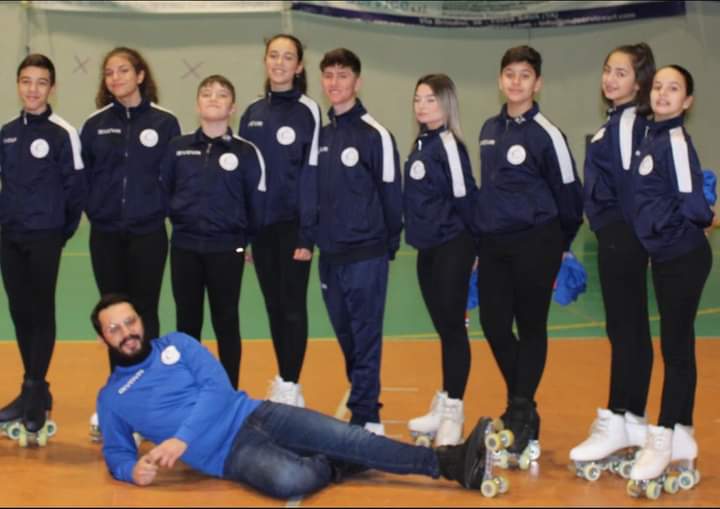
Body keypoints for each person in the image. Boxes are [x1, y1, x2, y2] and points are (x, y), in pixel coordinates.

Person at [92, 293, 501, 498]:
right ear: (103, 339)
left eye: (130, 322)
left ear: (141, 321)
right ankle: (338, 461)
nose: (127, 333)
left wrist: (181, 439)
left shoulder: (178, 344)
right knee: (292, 480)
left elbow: (217, 389)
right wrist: (132, 471)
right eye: (115, 329)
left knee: (353, 437)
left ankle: (449, 462)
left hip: (257, 414)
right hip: (228, 456)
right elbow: (116, 452)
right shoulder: (111, 399)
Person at [464, 45, 584, 468]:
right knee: (495, 324)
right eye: (510, 74)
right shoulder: (488, 129)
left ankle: (518, 413)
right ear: (500, 80)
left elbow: (570, 193)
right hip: (494, 244)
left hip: (537, 241)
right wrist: (480, 242)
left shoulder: (547, 133)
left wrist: (560, 242)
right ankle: (525, 408)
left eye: (525, 75)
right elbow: (489, 190)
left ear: (538, 83)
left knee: (531, 326)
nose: (516, 82)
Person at [298, 48, 402, 435]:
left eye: (343, 75)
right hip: (330, 256)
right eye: (329, 75)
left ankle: (366, 416)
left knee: (365, 334)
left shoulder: (376, 134)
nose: (335, 82)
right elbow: (310, 191)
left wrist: (386, 244)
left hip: (366, 253)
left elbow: (391, 194)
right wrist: (309, 237)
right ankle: (363, 399)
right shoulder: (321, 136)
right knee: (346, 334)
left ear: (357, 82)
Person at [81, 47, 181, 438]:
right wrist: (96, 208)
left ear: (140, 75)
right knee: (113, 318)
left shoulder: (165, 122)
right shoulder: (94, 125)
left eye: (123, 70)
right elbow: (84, 177)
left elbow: (175, 178)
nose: (116, 78)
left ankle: (148, 400)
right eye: (109, 72)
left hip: (148, 233)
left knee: (144, 314)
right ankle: (119, 400)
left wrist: (156, 208)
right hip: (105, 234)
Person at [569, 43, 656, 480]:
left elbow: (630, 186)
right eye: (607, 70)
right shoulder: (617, 122)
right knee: (627, 327)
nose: (610, 79)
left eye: (621, 73)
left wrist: (628, 235)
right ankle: (630, 418)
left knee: (627, 328)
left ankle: (624, 417)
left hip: (623, 236)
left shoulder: (628, 124)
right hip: (617, 236)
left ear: (639, 83)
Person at [625, 65, 711, 497]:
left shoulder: (674, 140)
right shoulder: (651, 137)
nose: (663, 93)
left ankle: (662, 437)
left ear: (687, 101)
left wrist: (703, 218)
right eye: (658, 86)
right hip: (665, 256)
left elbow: (694, 205)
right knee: (679, 347)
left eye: (673, 88)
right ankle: (682, 433)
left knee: (675, 350)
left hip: (683, 257)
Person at [160, 74, 266, 389]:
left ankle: (227, 391)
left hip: (227, 249)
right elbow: (164, 191)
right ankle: (188, 389)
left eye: (221, 95)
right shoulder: (178, 148)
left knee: (226, 320)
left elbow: (256, 203)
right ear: (197, 105)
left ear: (232, 108)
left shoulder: (247, 152)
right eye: (206, 94)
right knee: (187, 323)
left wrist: (244, 241)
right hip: (185, 247)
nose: (213, 99)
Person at [0, 54, 85, 444]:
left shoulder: (62, 133)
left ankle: (32, 395)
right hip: (9, 236)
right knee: (20, 312)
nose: (33, 89)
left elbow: (76, 190)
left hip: (45, 235)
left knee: (41, 309)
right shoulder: (6, 133)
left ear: (52, 88)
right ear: (18, 85)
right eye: (26, 81)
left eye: (41, 82)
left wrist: (58, 232)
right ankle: (35, 389)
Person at [238, 34, 321, 406]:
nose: (280, 63)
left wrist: (307, 234)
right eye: (274, 55)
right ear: (265, 61)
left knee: (292, 305)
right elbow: (243, 175)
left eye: (288, 57)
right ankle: (285, 379)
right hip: (261, 229)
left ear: (299, 66)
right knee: (273, 305)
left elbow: (311, 173)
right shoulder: (252, 112)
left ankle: (292, 385)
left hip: (293, 226)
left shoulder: (309, 110)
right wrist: (245, 232)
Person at [403, 74, 478, 447]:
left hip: (453, 246)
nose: (421, 105)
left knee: (453, 330)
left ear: (446, 104)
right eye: (418, 99)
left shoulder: (448, 144)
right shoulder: (421, 144)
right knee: (444, 329)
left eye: (430, 99)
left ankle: (454, 412)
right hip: (427, 249)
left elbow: (467, 198)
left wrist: (475, 249)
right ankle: (445, 398)